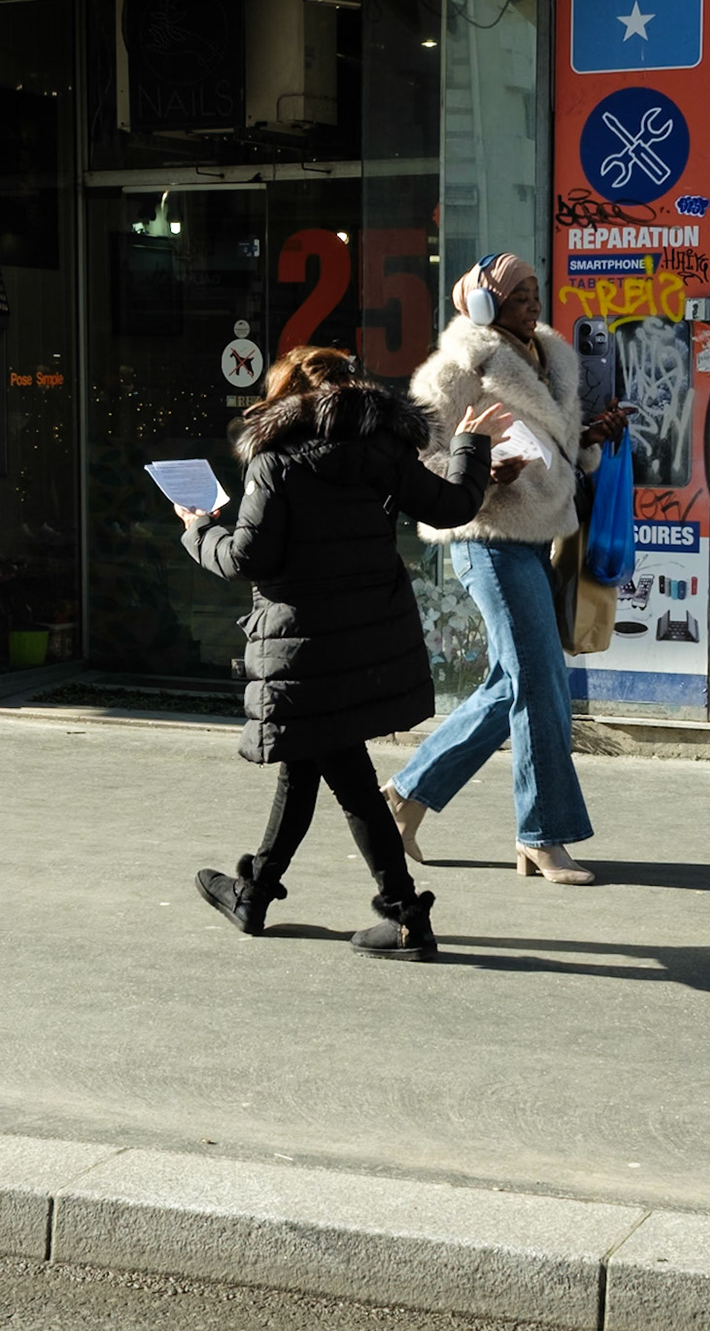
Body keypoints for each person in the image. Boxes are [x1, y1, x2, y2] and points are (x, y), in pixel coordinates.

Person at [175, 345, 508, 959]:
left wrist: (199, 528)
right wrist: (468, 447)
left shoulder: (275, 463)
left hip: (304, 646)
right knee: (309, 761)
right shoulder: (384, 450)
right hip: (367, 637)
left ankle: (406, 916)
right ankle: (255, 892)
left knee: (344, 776)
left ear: (283, 398)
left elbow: (248, 559)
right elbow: (455, 505)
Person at [382, 254, 628, 886]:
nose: (533, 304)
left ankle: (405, 798)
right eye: (518, 295)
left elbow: (561, 449)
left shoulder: (552, 361)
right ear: (484, 304)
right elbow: (421, 458)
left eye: (536, 292)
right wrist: (479, 471)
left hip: (540, 534)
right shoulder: (456, 368)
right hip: (484, 533)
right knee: (542, 680)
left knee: (511, 683)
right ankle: (543, 834)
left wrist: (593, 436)